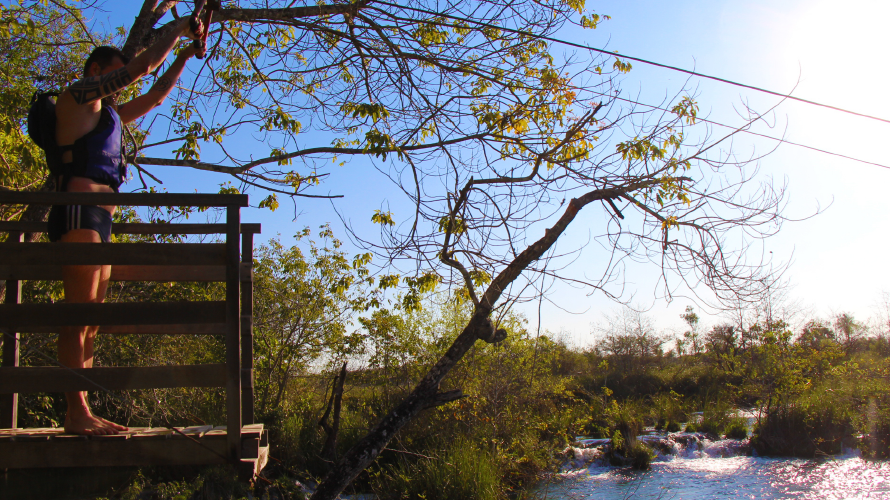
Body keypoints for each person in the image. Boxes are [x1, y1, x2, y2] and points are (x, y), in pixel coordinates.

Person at [50, 18, 205, 435]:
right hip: (79, 211)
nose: (121, 84)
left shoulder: (110, 114)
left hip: (101, 218)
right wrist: (178, 30)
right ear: (96, 71)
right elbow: (143, 70)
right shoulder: (77, 98)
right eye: (116, 74)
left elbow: (154, 97)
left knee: (93, 319)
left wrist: (187, 57)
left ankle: (82, 405)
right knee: (78, 314)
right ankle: (75, 411)